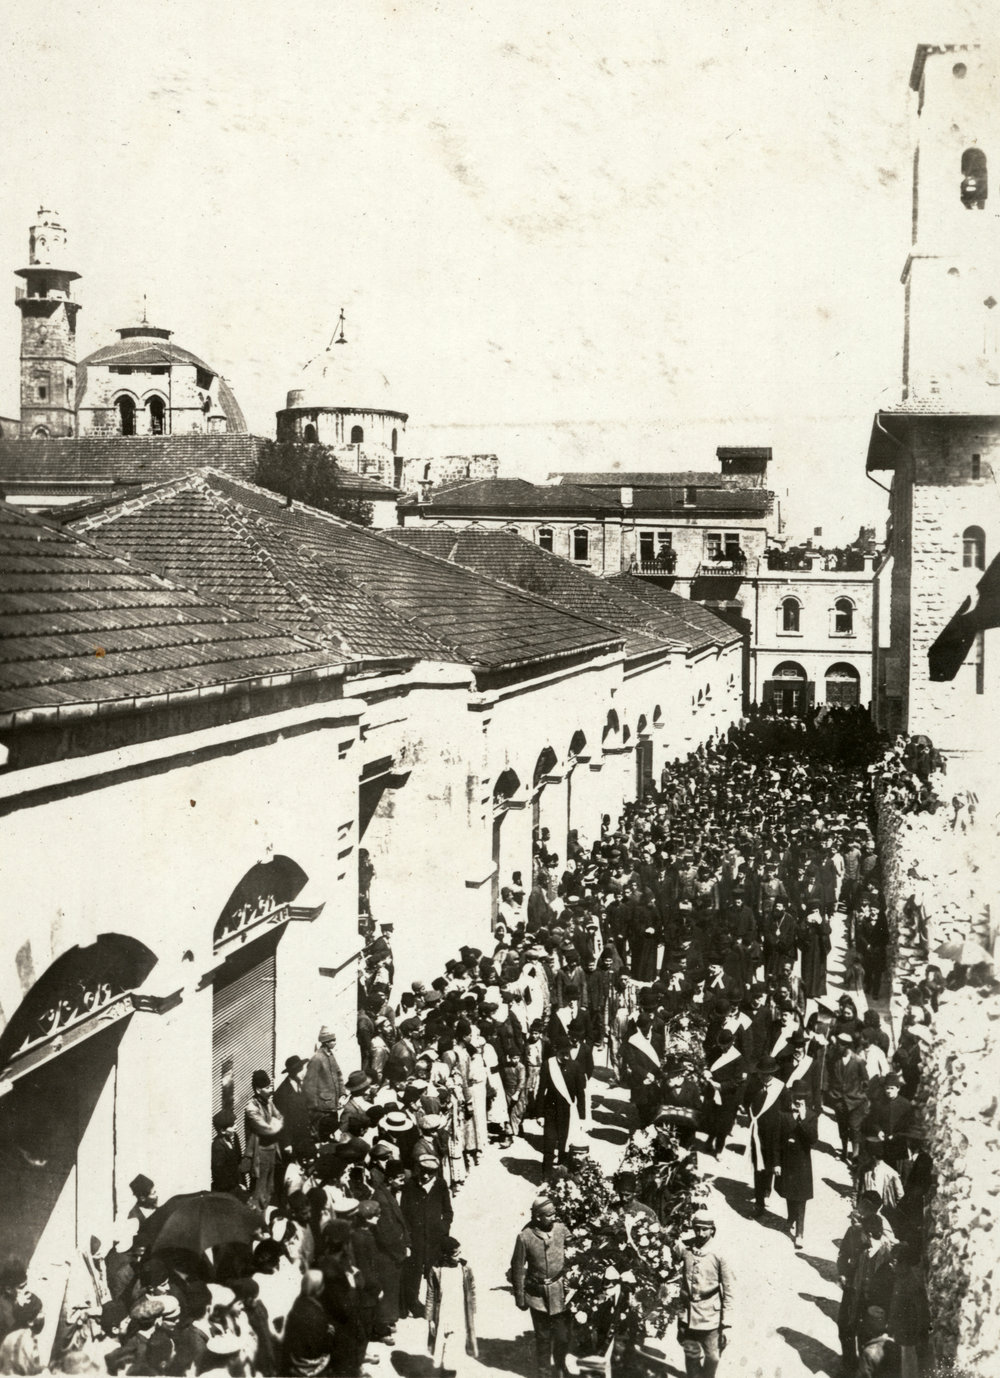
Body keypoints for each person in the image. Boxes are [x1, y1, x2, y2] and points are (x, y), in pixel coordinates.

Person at [511, 1197, 571, 1378]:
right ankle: (544, 1373)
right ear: (537, 1217)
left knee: (562, 1336)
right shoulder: (525, 1237)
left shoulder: (561, 1229)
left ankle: (560, 1365)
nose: (553, 1217)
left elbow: (577, 1247)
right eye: (549, 1215)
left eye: (554, 1213)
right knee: (543, 1338)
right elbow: (518, 1267)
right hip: (537, 1296)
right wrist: (520, 1297)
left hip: (560, 1293)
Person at [678, 1208, 735, 1378]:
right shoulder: (684, 1248)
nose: (701, 1233)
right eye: (697, 1228)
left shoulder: (720, 1254)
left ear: (712, 1230)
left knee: (713, 1357)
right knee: (691, 1354)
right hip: (687, 1314)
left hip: (710, 1316)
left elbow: (729, 1289)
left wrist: (727, 1324)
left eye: (705, 1229)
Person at [426, 1236, 477, 1376]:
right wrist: (430, 1319)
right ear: (446, 1255)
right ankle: (445, 1372)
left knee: (456, 1343)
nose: (459, 1256)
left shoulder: (465, 1269)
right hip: (442, 1313)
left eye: (460, 1252)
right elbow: (430, 1294)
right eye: (456, 1254)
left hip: (459, 1311)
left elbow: (471, 1289)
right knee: (443, 1343)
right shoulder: (436, 1270)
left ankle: (450, 1372)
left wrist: (472, 1309)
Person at [775, 1087, 817, 1250]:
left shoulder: (811, 1117)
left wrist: (803, 1119)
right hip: (786, 1162)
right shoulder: (783, 1115)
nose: (797, 1103)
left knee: (801, 1198)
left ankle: (799, 1233)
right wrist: (776, 1163)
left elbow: (812, 1139)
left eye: (801, 1100)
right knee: (788, 1192)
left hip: (802, 1164)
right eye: (795, 1099)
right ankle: (790, 1217)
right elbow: (777, 1140)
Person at [244, 1071, 285, 1210]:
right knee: (259, 1191)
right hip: (259, 1155)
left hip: (272, 1150)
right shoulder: (251, 1107)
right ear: (258, 1089)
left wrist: (275, 1124)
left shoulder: (268, 1102)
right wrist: (274, 1125)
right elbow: (267, 1129)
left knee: (270, 1189)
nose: (270, 1090)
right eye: (267, 1088)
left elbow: (280, 1118)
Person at [302, 1028, 344, 1122]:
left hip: (333, 1106)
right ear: (326, 1042)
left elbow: (339, 1075)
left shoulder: (331, 1055)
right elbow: (309, 1085)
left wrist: (342, 1094)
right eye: (332, 1040)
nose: (334, 1042)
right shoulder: (317, 1058)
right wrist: (314, 1108)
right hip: (322, 1109)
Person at [211, 1110, 244, 1196]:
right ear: (222, 1130)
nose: (236, 1127)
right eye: (232, 1125)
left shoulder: (228, 1140)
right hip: (225, 1191)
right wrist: (235, 1187)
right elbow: (219, 1174)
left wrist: (238, 1184)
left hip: (233, 1187)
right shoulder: (218, 1146)